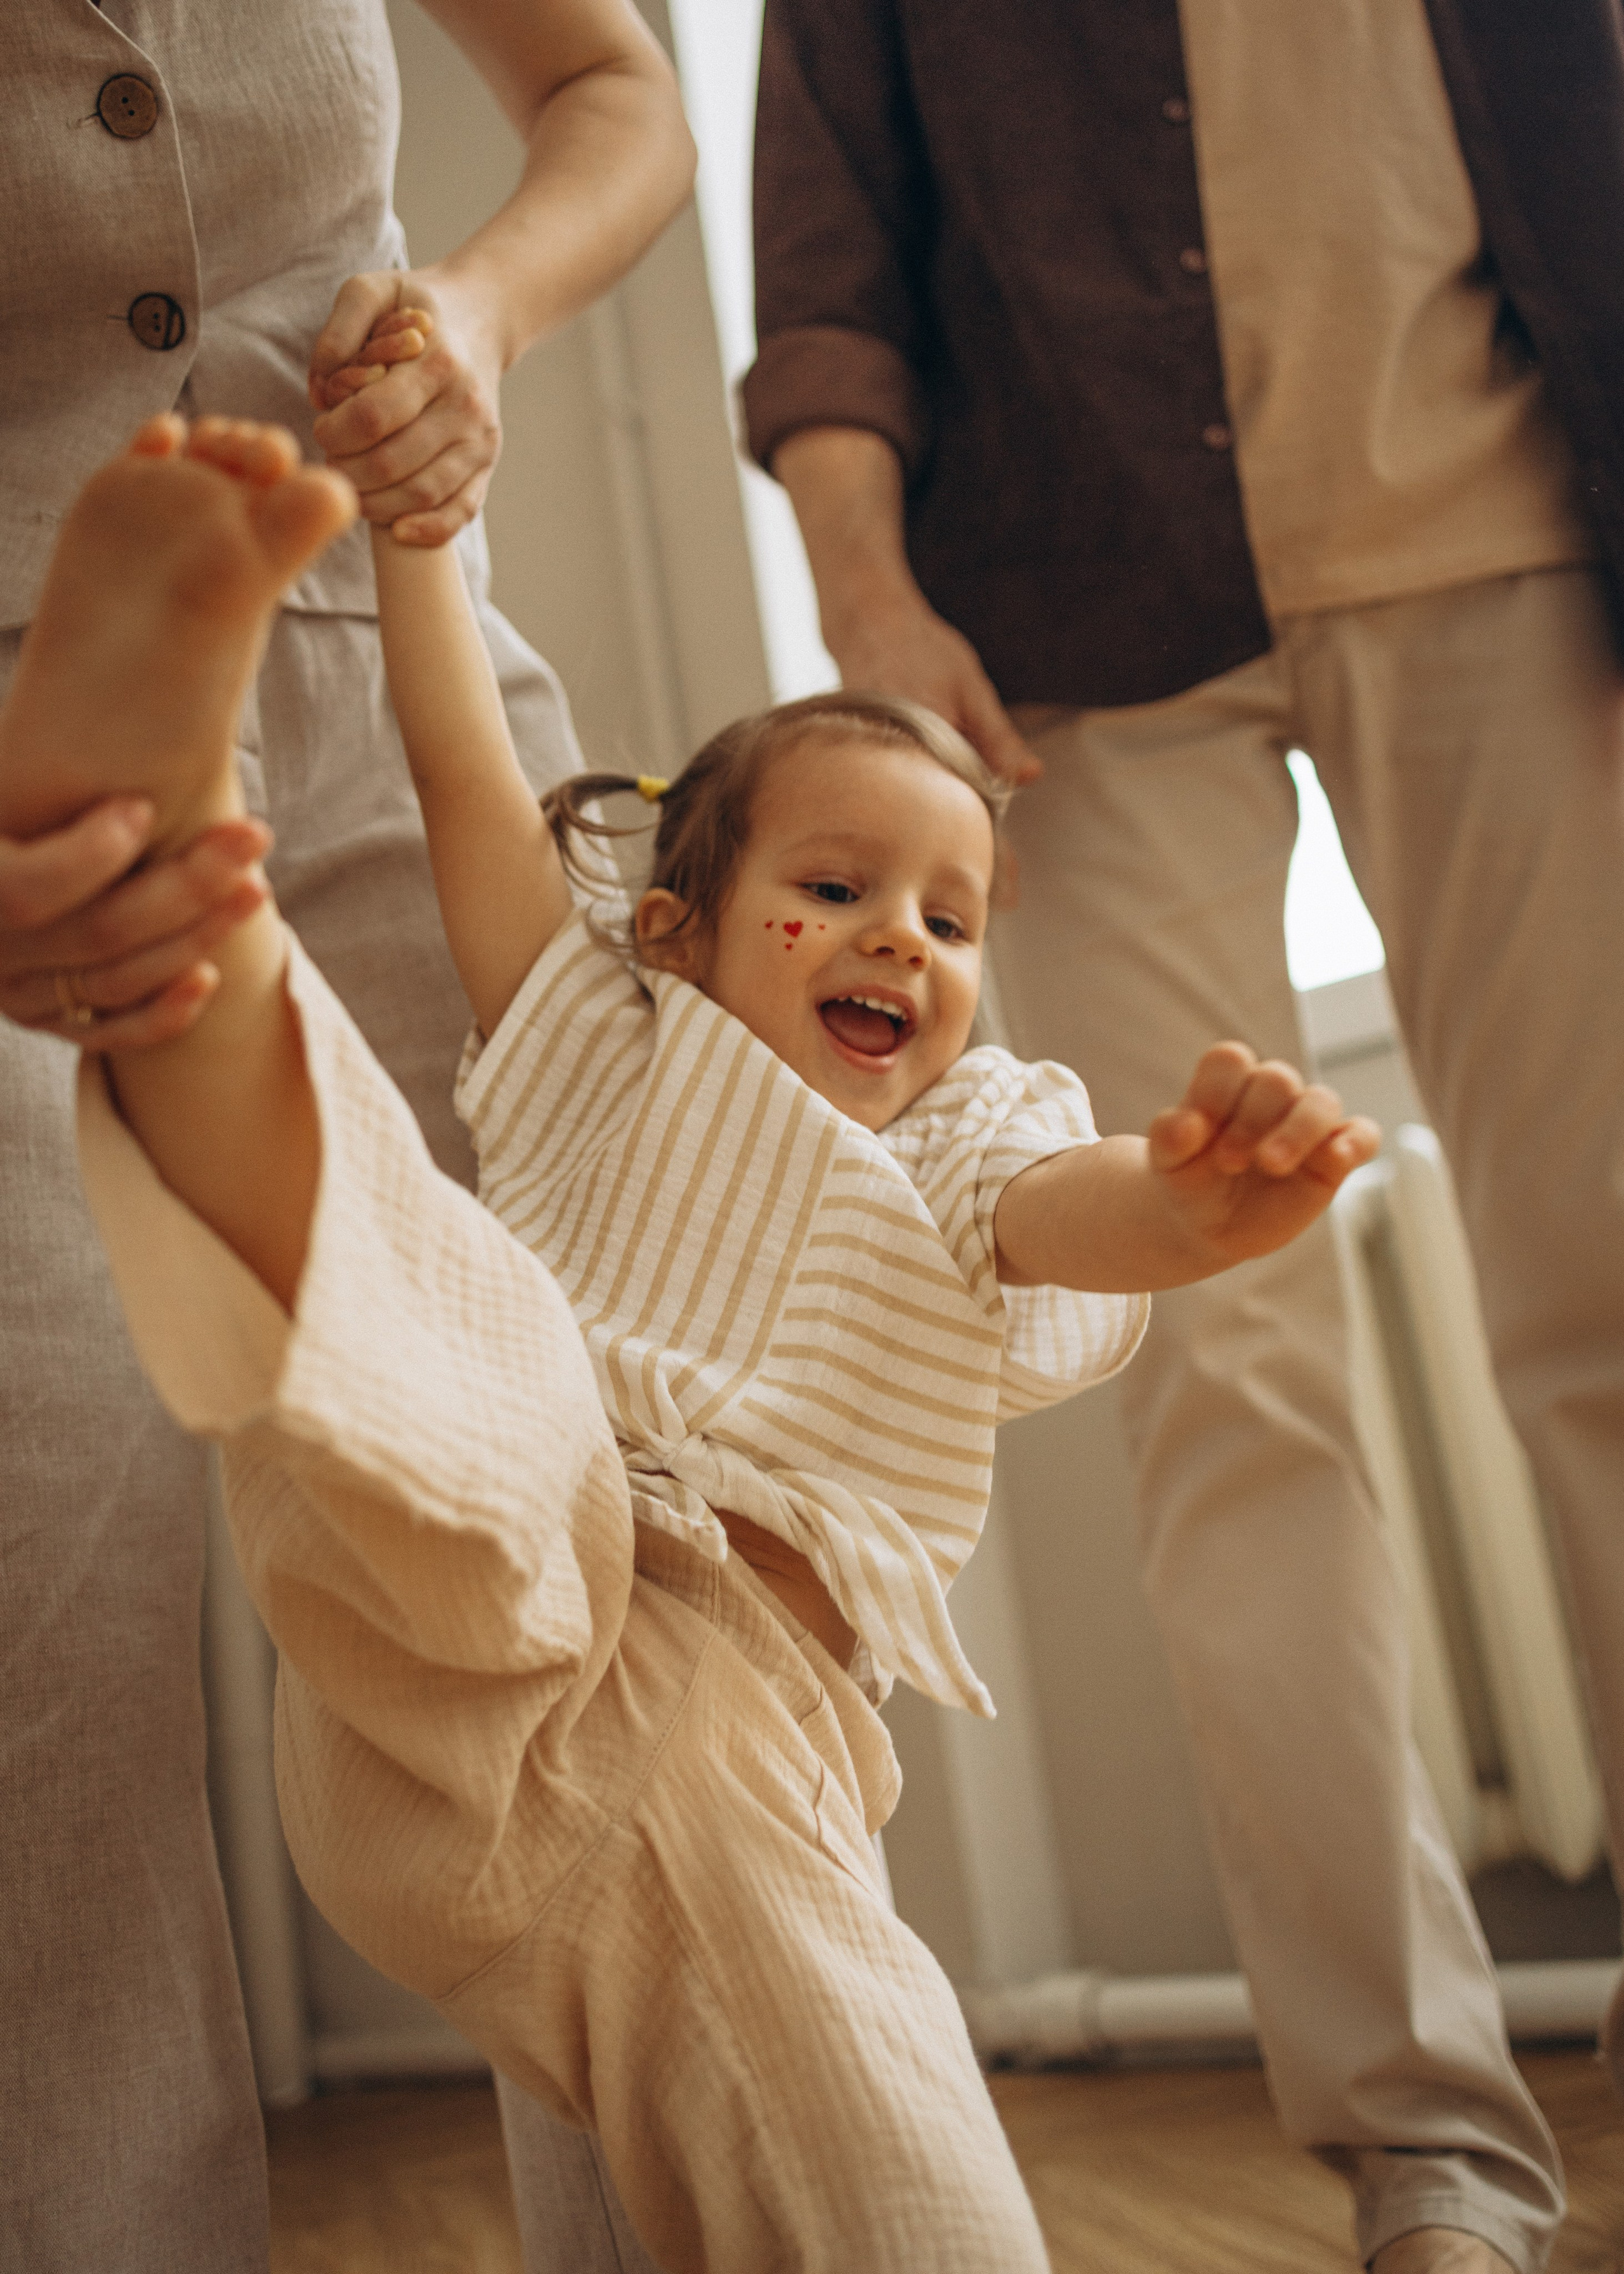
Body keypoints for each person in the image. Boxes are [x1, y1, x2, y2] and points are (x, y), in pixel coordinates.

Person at [0, 404, 1382, 2268]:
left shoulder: (965, 1137)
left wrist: (1194, 1207)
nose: (901, 940)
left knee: (892, 2214)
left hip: (731, 1761)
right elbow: (462, 778)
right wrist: (417, 538)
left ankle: (161, 904)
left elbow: (1075, 1212)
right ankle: (171, 898)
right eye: (833, 890)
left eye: (950, 917)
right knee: (451, 1325)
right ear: (676, 931)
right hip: (471, 1642)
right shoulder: (600, 1045)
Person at [744, 5, 1624, 2270]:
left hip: (1511, 533)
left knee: (1611, 1310)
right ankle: (1422, 2140)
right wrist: (864, 591)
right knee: (1226, 1370)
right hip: (1080, 618)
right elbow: (830, 250)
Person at [0, 4, 690, 2268]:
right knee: (38, 1636)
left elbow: (614, 89)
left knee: (611, 1529)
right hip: (24, 784)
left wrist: (476, 313)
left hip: (408, 692)